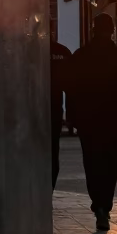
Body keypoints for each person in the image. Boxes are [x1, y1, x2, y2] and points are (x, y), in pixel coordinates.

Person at [66, 14, 117, 231]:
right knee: (110, 165)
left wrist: (72, 116)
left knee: (92, 163)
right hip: (113, 120)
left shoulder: (80, 56)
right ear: (112, 30)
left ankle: (98, 204)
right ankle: (105, 204)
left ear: (93, 29)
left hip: (89, 119)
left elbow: (72, 88)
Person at [50, 37, 72, 190]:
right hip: (54, 110)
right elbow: (70, 87)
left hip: (32, 113)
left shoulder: (27, 50)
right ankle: (49, 189)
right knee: (53, 152)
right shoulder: (62, 52)